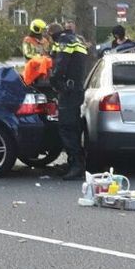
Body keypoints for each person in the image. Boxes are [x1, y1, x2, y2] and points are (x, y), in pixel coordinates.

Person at [48, 22, 88, 180]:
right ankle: (74, 162)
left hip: (68, 91)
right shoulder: (77, 40)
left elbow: (60, 65)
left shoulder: (64, 43)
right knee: (74, 127)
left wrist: (54, 81)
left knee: (67, 127)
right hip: (76, 89)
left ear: (52, 34)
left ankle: (76, 165)